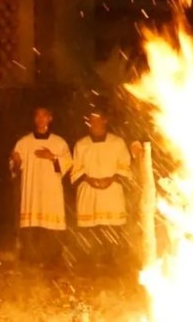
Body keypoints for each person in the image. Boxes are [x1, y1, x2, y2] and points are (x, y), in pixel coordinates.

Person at [71, 104, 132, 269]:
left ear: (105, 121)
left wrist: (111, 178)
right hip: (89, 191)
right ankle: (90, 265)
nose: (95, 123)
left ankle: (112, 265)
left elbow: (125, 165)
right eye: (92, 120)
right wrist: (88, 179)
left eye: (98, 120)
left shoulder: (117, 142)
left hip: (111, 192)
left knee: (111, 229)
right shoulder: (81, 144)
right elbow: (76, 168)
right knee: (91, 230)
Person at [11, 106, 73, 266]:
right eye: (37, 116)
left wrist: (52, 157)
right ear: (34, 119)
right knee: (32, 224)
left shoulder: (59, 142)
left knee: (50, 224)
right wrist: (16, 162)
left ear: (50, 118)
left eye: (44, 115)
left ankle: (52, 260)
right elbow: (14, 168)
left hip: (51, 191)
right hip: (31, 190)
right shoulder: (24, 143)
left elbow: (67, 164)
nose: (40, 119)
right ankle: (31, 259)